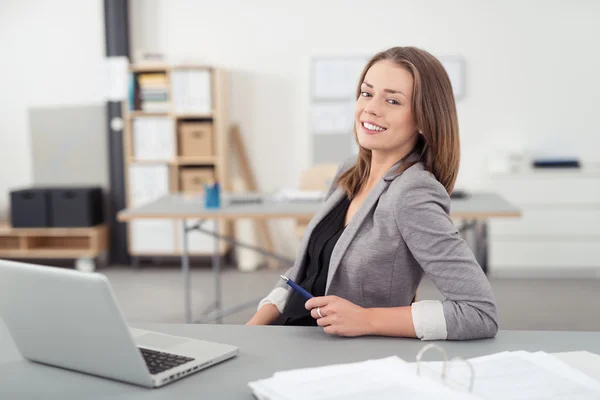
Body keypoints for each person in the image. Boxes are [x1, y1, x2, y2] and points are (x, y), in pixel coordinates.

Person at [246, 46, 498, 340]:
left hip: (342, 357)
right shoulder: (350, 171)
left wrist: (367, 319)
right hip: (288, 337)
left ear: (423, 119)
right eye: (367, 93)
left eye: (392, 100)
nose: (371, 108)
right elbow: (307, 269)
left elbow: (479, 313)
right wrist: (253, 329)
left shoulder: (412, 193)